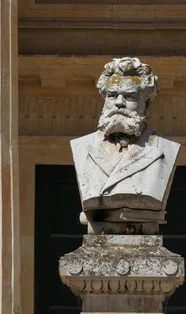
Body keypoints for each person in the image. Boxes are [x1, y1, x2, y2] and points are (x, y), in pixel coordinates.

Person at [70, 57, 180, 231]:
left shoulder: (165, 149)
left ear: (147, 103)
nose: (119, 102)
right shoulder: (82, 146)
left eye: (129, 96)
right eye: (112, 95)